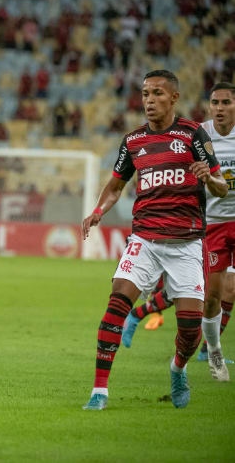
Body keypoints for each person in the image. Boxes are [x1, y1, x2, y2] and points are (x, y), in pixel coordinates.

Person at [81, 70, 227, 410]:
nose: (149, 100)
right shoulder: (133, 141)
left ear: (174, 98)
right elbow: (116, 186)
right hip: (145, 239)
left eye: (157, 93)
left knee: (190, 329)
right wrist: (98, 210)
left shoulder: (192, 134)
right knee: (116, 304)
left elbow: (221, 186)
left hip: (187, 243)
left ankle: (177, 368)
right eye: (145, 93)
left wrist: (209, 179)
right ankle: (99, 391)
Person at [122, 82, 235, 377]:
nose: (219, 108)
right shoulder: (199, 134)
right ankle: (212, 351)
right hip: (209, 224)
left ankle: (210, 353)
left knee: (228, 292)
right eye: (215, 103)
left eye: (226, 103)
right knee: (209, 296)